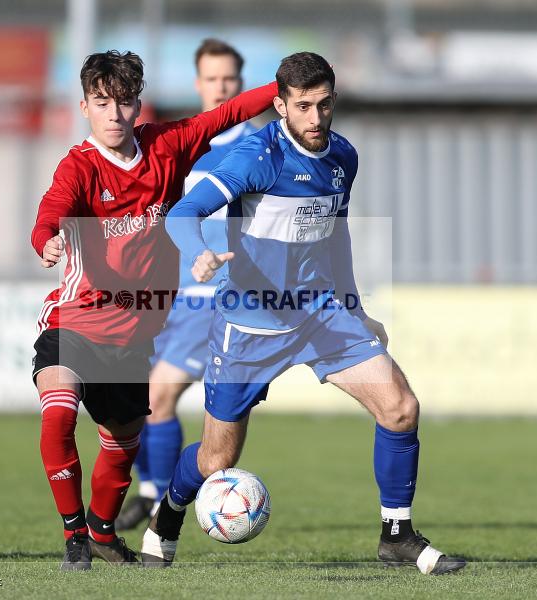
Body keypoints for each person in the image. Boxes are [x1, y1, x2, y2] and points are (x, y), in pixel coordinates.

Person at [140, 52, 466, 575]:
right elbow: (185, 212)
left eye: (324, 104)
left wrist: (355, 307)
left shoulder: (343, 158)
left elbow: (335, 237)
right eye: (304, 106)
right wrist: (199, 251)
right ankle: (168, 514)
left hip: (317, 312)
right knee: (217, 461)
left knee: (401, 408)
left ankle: (396, 533)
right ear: (281, 106)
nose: (316, 118)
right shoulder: (256, 157)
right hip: (249, 322)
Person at [31, 49, 276, 570]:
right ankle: (75, 534)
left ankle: (101, 532)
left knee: (121, 442)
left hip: (133, 331)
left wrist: (287, 88)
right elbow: (52, 209)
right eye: (103, 103)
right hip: (75, 317)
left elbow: (226, 114)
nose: (114, 115)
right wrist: (47, 238)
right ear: (84, 107)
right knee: (58, 414)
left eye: (123, 103)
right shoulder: (78, 166)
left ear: (137, 105)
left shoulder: (167, 146)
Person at [117, 38, 256, 532]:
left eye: (230, 79)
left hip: (215, 296)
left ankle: (160, 500)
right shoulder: (182, 143)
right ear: (198, 83)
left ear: (242, 84)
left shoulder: (257, 147)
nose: (221, 87)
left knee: (159, 395)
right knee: (132, 398)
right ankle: (155, 491)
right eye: (212, 79)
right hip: (166, 295)